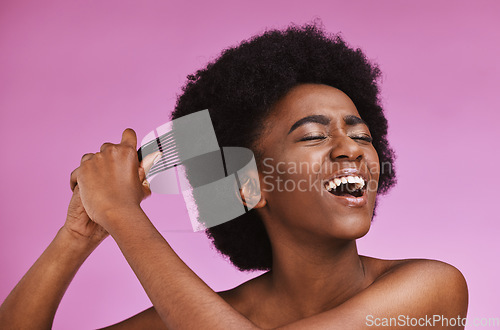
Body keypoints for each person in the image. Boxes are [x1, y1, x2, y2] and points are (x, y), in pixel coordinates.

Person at [0, 23, 468, 329]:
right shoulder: (198, 315)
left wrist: (123, 213)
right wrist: (78, 232)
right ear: (249, 186)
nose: (351, 150)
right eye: (312, 137)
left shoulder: (432, 291)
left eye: (362, 135)